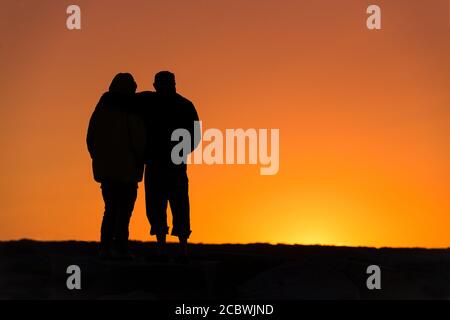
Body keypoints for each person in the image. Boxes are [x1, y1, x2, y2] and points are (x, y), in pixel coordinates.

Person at [138, 71, 200, 262]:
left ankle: (171, 248)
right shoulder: (152, 102)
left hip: (167, 164)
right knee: (168, 205)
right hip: (163, 164)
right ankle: (173, 248)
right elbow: (195, 136)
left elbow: (195, 136)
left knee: (174, 204)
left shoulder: (179, 105)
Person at [87, 73, 146, 259]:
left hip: (107, 171)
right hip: (128, 170)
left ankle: (104, 248)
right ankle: (121, 248)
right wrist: (141, 157)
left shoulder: (102, 108)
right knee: (124, 212)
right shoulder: (132, 109)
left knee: (110, 209)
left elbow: (91, 138)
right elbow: (138, 139)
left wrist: (99, 158)